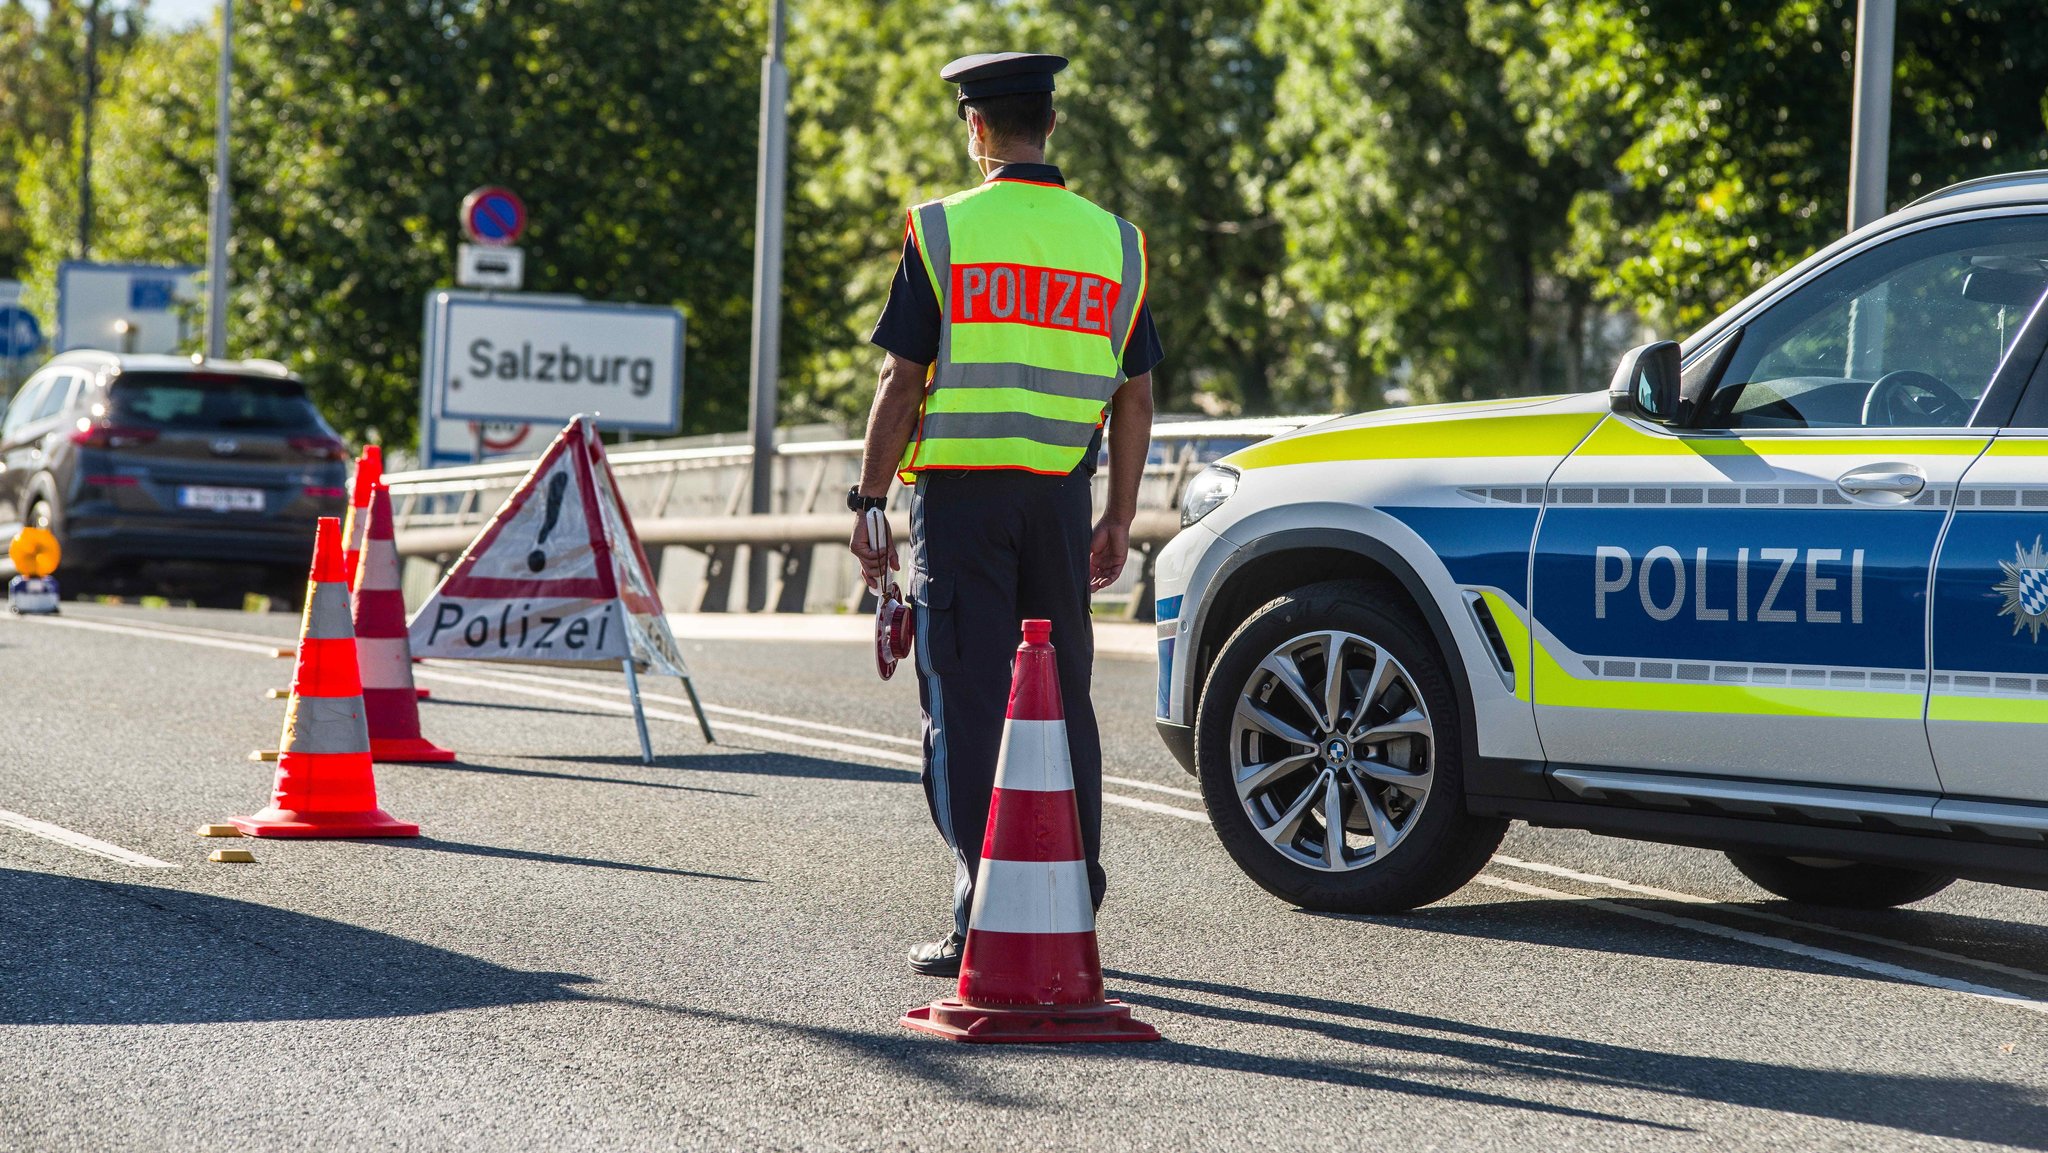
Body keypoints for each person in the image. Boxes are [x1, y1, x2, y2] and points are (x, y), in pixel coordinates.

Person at [847, 51, 1164, 977]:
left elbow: (902, 379)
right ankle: (1072, 892)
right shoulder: (1117, 242)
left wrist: (869, 499)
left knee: (971, 696)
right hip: (1063, 500)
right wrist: (1118, 513)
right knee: (1060, 695)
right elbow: (1135, 396)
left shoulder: (943, 230)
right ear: (1052, 126)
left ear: (975, 129)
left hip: (962, 499)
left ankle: (979, 911)